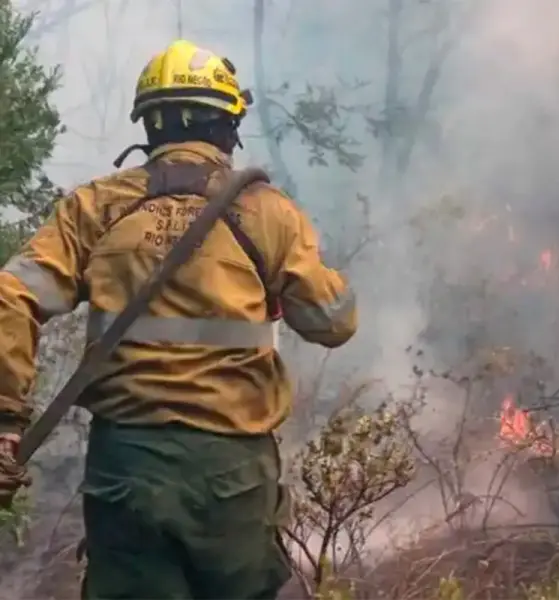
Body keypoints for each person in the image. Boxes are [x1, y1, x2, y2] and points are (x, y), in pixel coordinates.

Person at [0, 39, 357, 599]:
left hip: (127, 466)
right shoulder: (269, 213)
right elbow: (333, 323)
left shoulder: (95, 207)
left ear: (150, 126)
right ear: (226, 127)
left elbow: (12, 295)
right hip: (232, 472)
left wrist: (5, 419)